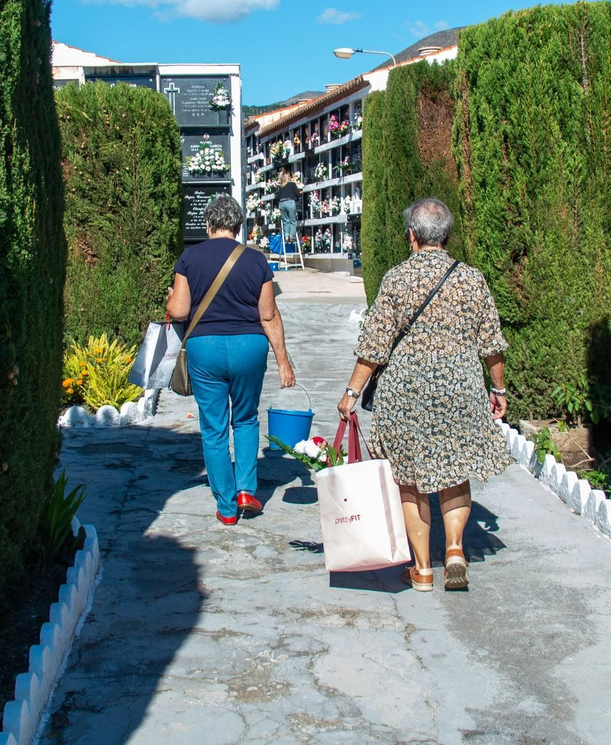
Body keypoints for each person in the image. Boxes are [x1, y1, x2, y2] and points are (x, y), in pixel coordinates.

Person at [336, 198, 512, 591]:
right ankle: (453, 550)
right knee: (454, 470)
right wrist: (498, 387)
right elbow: (492, 343)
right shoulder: (471, 279)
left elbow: (375, 345)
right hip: (460, 388)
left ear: (411, 236)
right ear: (446, 236)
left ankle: (422, 569)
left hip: (405, 393)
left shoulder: (396, 279)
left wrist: (352, 392)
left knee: (410, 479)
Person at [168, 195, 296, 525]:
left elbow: (180, 311)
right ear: (238, 228)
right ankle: (246, 491)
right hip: (248, 348)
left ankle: (226, 507)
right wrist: (284, 361)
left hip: (205, 348)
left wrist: (171, 301)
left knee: (213, 429)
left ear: (208, 225)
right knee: (246, 418)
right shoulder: (256, 261)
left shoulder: (189, 258)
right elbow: (268, 316)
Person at [275, 171, 301, 259]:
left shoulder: (281, 186)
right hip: (290, 202)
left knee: (286, 221)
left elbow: (277, 196)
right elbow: (297, 194)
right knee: (293, 220)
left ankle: (286, 237)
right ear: (288, 177)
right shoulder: (292, 184)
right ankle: (292, 237)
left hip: (281, 203)